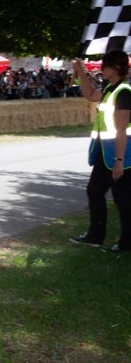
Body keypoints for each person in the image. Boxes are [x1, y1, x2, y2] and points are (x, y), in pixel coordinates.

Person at [70, 50, 131, 253]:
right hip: (105, 154)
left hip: (121, 155)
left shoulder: (123, 92)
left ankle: (126, 243)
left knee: (123, 199)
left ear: (116, 68)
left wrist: (119, 160)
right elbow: (89, 94)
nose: (102, 69)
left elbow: (121, 129)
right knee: (94, 191)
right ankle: (95, 237)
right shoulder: (108, 88)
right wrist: (81, 72)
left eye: (104, 66)